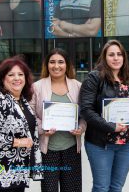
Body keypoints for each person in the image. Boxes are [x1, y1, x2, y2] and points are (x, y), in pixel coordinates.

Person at [0, 56, 43, 192]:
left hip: (17, 169)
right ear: (2, 78)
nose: (17, 78)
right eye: (11, 74)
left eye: (20, 74)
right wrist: (18, 142)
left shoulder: (22, 101)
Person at [79, 40, 129, 192]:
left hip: (126, 143)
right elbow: (86, 110)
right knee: (101, 187)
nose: (116, 58)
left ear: (124, 57)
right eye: (111, 54)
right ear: (104, 57)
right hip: (101, 143)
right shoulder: (94, 78)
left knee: (117, 187)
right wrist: (111, 126)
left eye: (119, 54)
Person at [30, 48, 86, 192]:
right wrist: (43, 128)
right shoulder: (37, 87)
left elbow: (84, 115)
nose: (56, 66)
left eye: (60, 62)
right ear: (47, 65)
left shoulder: (77, 86)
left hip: (72, 149)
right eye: (52, 62)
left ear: (67, 65)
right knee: (49, 189)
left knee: (72, 189)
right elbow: (29, 115)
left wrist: (81, 127)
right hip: (48, 150)